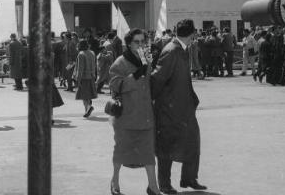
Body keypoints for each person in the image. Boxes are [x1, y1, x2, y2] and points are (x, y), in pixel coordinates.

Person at [151, 19, 206, 194]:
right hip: (169, 109)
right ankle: (164, 183)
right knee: (166, 145)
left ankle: (189, 178)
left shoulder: (181, 48)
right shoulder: (171, 50)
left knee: (192, 141)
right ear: (192, 33)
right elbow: (157, 79)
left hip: (184, 107)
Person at [109, 28, 161, 195]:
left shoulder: (145, 60)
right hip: (126, 116)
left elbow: (149, 84)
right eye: (137, 42)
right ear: (129, 44)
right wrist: (136, 75)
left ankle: (153, 186)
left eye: (143, 42)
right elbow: (115, 86)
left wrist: (150, 67)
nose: (140, 45)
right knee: (121, 151)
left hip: (145, 115)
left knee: (148, 153)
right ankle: (114, 181)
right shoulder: (119, 62)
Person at [73, 38, 97, 117]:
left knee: (84, 95)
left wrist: (77, 79)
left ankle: (88, 109)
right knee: (89, 94)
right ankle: (87, 110)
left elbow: (80, 69)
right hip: (91, 76)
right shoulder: (92, 53)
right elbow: (94, 65)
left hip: (84, 77)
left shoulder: (81, 54)